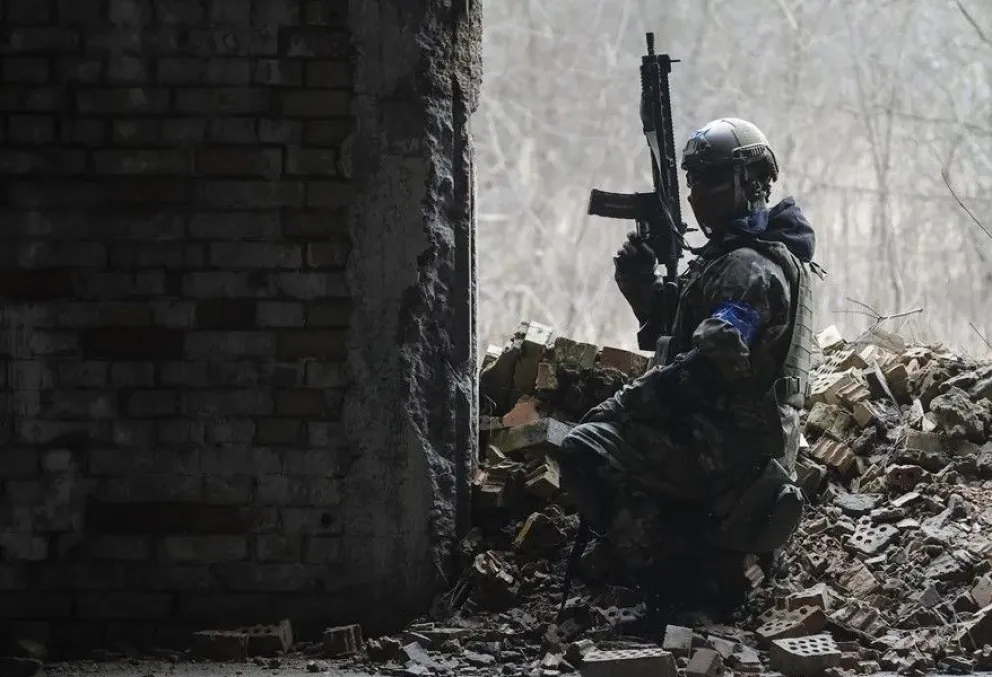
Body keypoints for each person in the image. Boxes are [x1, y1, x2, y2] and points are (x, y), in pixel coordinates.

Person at [556, 118, 820, 606]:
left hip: (731, 448)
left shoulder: (751, 267)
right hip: (728, 434)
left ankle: (675, 578)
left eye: (713, 177)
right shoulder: (740, 255)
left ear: (752, 183)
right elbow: (682, 336)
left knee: (583, 448)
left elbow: (703, 369)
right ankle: (701, 551)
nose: (698, 192)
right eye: (693, 178)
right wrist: (643, 289)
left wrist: (623, 405)